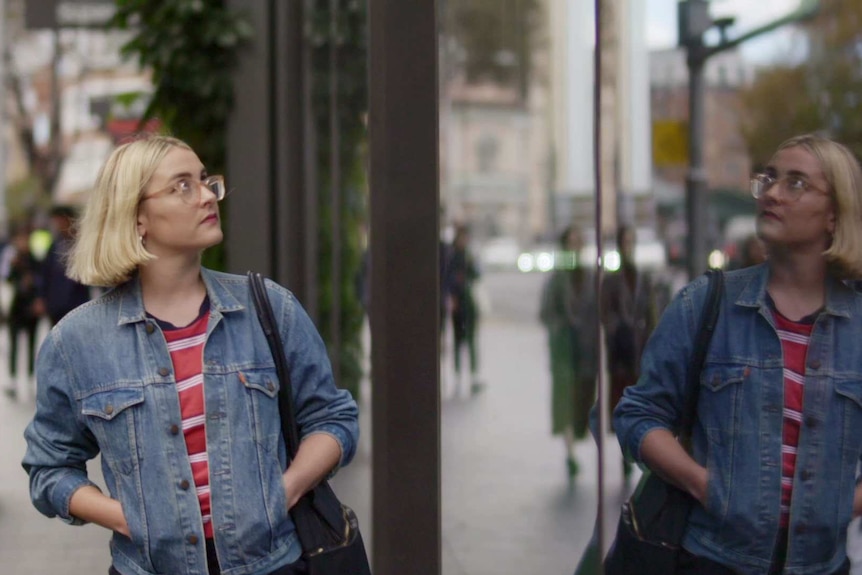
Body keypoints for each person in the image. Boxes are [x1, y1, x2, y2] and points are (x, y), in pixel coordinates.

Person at [22, 134, 360, 575]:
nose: (206, 196)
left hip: (272, 565)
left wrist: (285, 490)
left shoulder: (269, 308)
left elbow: (333, 417)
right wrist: (127, 519)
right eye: (182, 186)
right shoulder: (76, 341)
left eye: (205, 180)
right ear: (136, 216)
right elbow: (49, 468)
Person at [612, 134, 862, 574]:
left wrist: (844, 503)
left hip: (822, 565)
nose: (772, 192)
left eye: (796, 183)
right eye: (769, 178)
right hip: (713, 559)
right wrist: (703, 484)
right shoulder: (706, 303)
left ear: (834, 214)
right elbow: (638, 413)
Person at [539, 226, 597, 479]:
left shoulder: (591, 278)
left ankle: (577, 439)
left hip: (586, 351)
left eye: (578, 243)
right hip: (564, 350)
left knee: (583, 399)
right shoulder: (556, 278)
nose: (575, 248)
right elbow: (545, 313)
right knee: (565, 403)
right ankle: (570, 453)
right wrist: (562, 327)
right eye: (570, 244)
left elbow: (599, 312)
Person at [601, 225, 658, 478]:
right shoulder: (612, 279)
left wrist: (651, 340)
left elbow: (652, 312)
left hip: (640, 349)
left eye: (631, 242)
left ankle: (636, 449)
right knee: (620, 401)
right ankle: (625, 451)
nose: (628, 247)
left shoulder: (643, 277)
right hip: (619, 352)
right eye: (624, 242)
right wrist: (617, 329)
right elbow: (605, 313)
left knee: (641, 402)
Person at [34, 205, 92, 325]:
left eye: (59, 221)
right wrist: (41, 298)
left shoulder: (82, 244)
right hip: (56, 304)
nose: (57, 226)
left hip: (77, 304)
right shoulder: (54, 245)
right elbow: (45, 273)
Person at [3, 227, 42, 399]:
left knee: (31, 345)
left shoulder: (35, 260)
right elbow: (7, 279)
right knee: (14, 345)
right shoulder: (14, 260)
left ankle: (30, 378)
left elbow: (42, 280)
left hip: (30, 309)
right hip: (16, 308)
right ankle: (13, 379)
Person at [445, 224, 482, 393]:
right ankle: (458, 374)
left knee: (472, 340)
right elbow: (449, 279)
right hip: (459, 304)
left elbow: (476, 275)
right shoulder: (453, 256)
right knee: (459, 341)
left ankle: (473, 374)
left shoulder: (468, 256)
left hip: (469, 303)